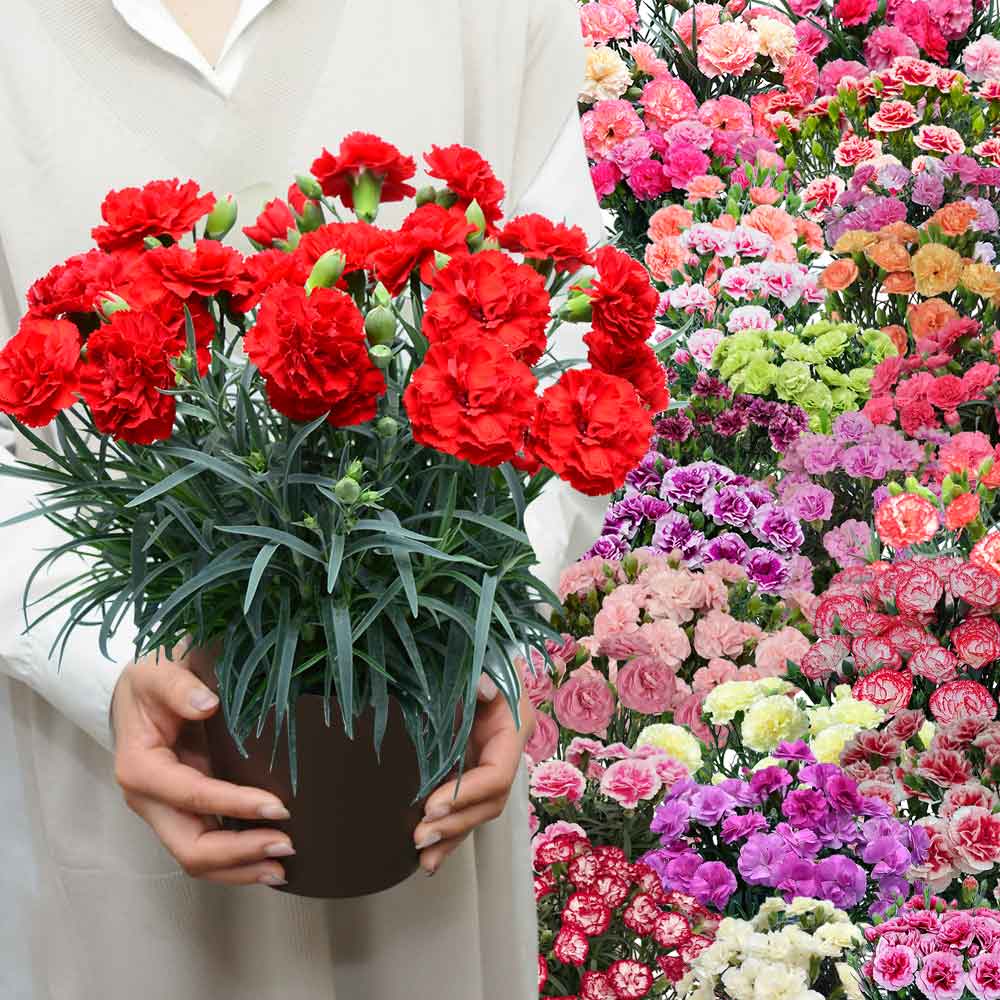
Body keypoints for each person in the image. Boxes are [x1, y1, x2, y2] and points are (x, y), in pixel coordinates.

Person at [0, 2, 608, 998]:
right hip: (114, 797)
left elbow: (576, 344)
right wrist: (106, 672)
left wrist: (476, 621)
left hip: (425, 765)